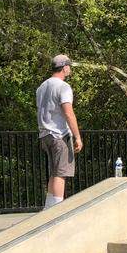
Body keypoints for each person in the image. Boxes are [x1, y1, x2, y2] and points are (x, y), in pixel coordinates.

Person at [36, 54, 83, 208]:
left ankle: (48, 209)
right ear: (65, 68)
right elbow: (68, 113)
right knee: (61, 174)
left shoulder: (42, 87)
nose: (70, 69)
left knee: (54, 173)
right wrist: (77, 137)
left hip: (45, 134)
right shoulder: (63, 87)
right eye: (69, 66)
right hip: (59, 135)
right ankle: (57, 211)